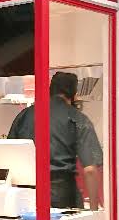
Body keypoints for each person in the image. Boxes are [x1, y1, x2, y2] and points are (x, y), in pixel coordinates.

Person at [8, 72, 102, 210]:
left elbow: (8, 156)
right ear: (74, 94)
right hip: (64, 198)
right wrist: (94, 211)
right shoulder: (77, 118)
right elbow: (90, 170)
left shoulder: (25, 115)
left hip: (27, 196)